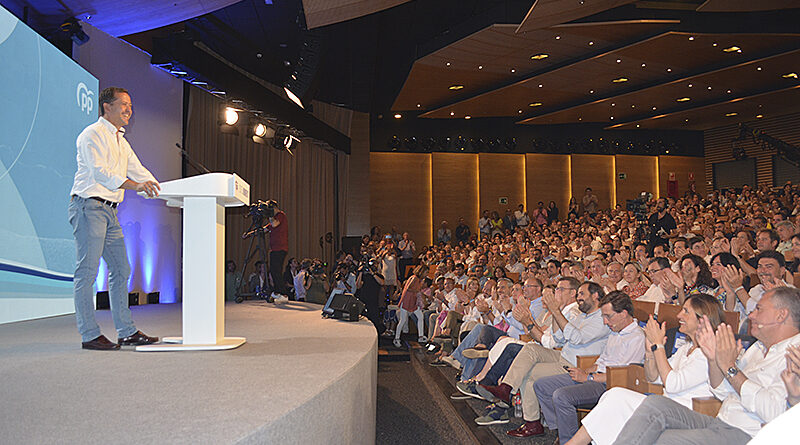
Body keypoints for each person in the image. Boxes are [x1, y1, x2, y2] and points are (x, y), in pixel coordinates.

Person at [611, 286, 800, 444]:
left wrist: (729, 368)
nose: (750, 315)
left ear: (781, 315)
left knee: (660, 440)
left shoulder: (795, 354)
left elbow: (774, 412)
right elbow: (723, 391)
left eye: (759, 309)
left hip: (747, 433)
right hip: (719, 420)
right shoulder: (758, 348)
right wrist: (714, 360)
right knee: (654, 405)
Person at [69, 87, 160, 350]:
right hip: (89, 208)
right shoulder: (91, 135)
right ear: (106, 106)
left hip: (110, 211)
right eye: (124, 104)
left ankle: (126, 331)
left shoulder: (122, 141)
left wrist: (164, 188)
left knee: (121, 269)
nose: (129, 110)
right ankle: (89, 334)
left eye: (130, 105)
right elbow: (101, 174)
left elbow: (139, 170)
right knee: (87, 272)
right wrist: (136, 186)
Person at [567, 293, 724, 445]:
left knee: (616, 398)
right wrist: (650, 352)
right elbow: (653, 378)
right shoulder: (686, 348)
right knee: (613, 396)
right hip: (664, 404)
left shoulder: (708, 353)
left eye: (686, 311)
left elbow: (672, 384)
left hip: (685, 412)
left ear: (703, 319)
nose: (679, 316)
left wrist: (659, 346)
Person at [534, 290, 646, 444]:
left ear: (623, 314)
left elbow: (624, 375)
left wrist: (588, 377)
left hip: (610, 386)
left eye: (608, 316)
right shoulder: (615, 332)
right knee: (542, 385)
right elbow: (602, 361)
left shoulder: (637, 337)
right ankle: (562, 430)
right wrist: (585, 371)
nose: (605, 322)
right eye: (604, 317)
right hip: (595, 376)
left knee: (561, 396)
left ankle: (569, 440)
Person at [263, 200, 289, 302]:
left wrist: (270, 214)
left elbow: (274, 224)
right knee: (274, 271)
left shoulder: (280, 215)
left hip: (280, 248)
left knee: (276, 271)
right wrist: (249, 234)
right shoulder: (273, 219)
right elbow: (264, 229)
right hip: (274, 249)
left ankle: (283, 293)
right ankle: (278, 292)